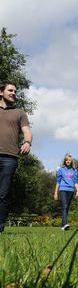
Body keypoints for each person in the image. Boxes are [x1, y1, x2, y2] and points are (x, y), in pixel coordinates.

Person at [0, 81, 32, 234]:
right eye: (10, 90)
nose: (13, 93)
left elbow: (27, 131)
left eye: (15, 91)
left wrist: (27, 142)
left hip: (9, 157)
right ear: (1, 92)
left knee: (3, 193)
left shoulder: (19, 112)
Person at [54, 154, 78, 230]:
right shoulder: (61, 170)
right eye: (67, 160)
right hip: (63, 189)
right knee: (64, 206)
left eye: (69, 160)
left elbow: (75, 181)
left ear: (71, 161)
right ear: (65, 161)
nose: (68, 161)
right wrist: (56, 193)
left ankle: (62, 226)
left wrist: (77, 190)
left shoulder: (74, 170)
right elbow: (58, 182)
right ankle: (65, 223)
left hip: (71, 190)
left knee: (66, 207)